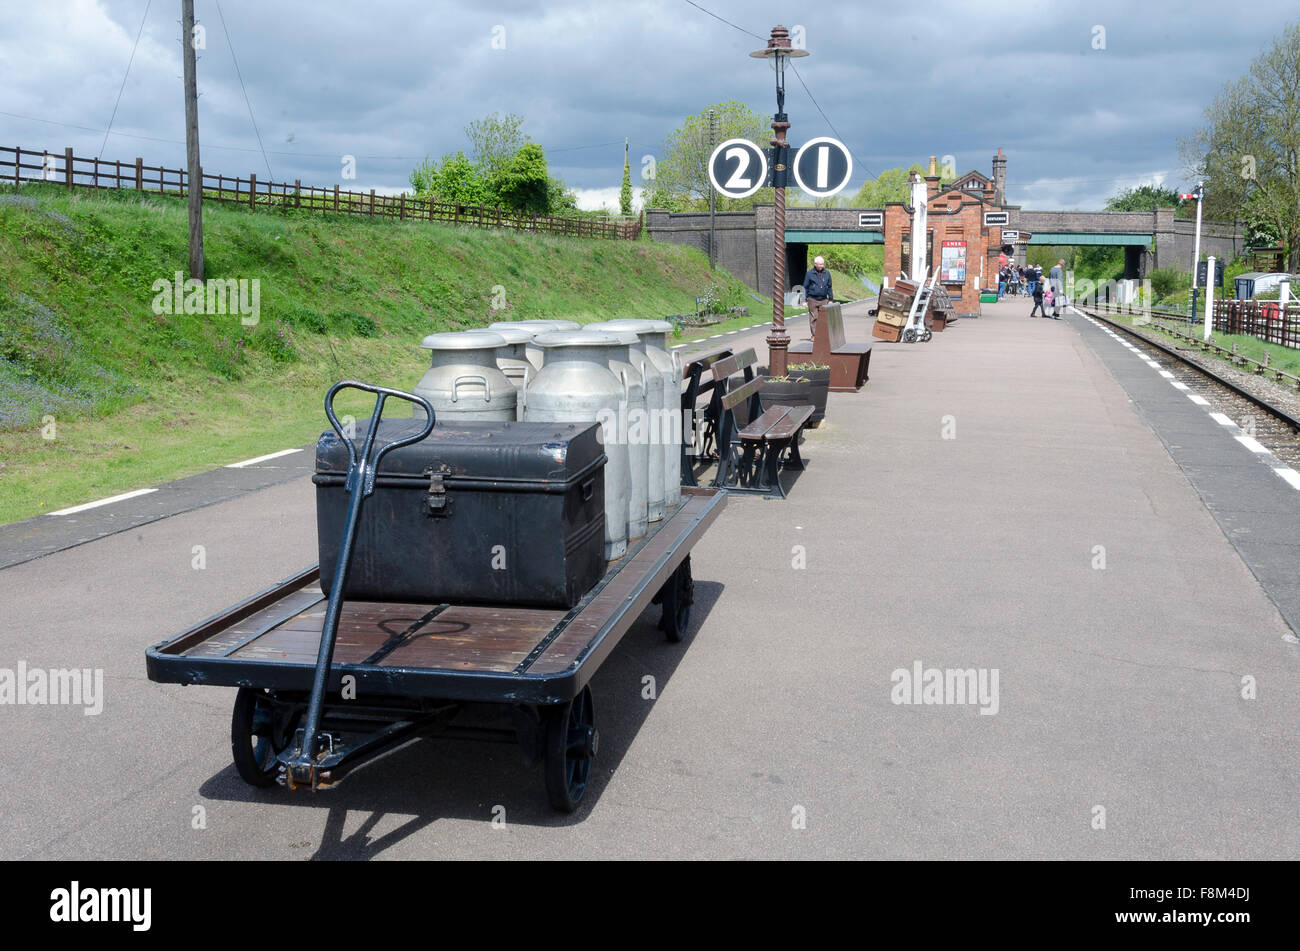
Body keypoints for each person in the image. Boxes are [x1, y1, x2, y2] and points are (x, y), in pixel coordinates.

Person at [802, 256, 833, 342]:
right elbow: (805, 287)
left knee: (824, 318)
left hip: (824, 299)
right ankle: (814, 335)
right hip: (812, 299)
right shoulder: (809, 274)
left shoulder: (827, 273)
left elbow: (829, 286)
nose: (821, 266)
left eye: (822, 264)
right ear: (815, 264)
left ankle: (823, 335)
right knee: (813, 318)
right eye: (819, 264)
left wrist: (830, 299)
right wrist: (804, 300)